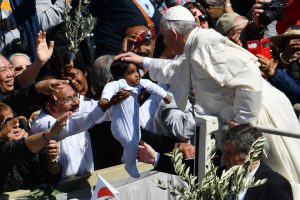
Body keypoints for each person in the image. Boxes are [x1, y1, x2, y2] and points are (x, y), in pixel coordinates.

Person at [115, 5, 300, 197]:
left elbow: (249, 75)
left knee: (277, 180)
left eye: (164, 36)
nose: (165, 42)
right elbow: (176, 69)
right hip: (242, 119)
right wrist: (143, 62)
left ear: (173, 33)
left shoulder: (206, 43)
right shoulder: (195, 45)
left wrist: (243, 125)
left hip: (259, 114)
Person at [31, 83, 126, 180]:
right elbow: (75, 123)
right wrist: (103, 106)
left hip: (88, 182)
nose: (76, 102)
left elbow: (105, 112)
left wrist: (128, 102)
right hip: (63, 189)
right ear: (50, 107)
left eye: (75, 95)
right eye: (67, 99)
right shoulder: (41, 124)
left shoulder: (76, 109)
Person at [99, 60, 171, 178]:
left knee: (135, 140)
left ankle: (125, 157)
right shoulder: (120, 84)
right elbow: (109, 87)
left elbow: (152, 86)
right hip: (120, 125)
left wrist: (164, 95)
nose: (137, 74)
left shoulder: (139, 84)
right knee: (131, 143)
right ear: (121, 76)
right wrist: (105, 99)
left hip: (132, 124)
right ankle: (130, 165)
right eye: (131, 73)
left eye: (137, 71)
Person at [0, 103, 69, 193]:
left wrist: (52, 160)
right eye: (8, 121)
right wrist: (50, 133)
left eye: (14, 118)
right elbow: (17, 149)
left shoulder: (28, 139)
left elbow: (53, 176)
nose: (16, 124)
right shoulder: (9, 148)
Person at [222, 124, 293, 200]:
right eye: (224, 151)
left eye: (230, 153)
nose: (224, 157)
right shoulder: (220, 174)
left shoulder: (275, 186)